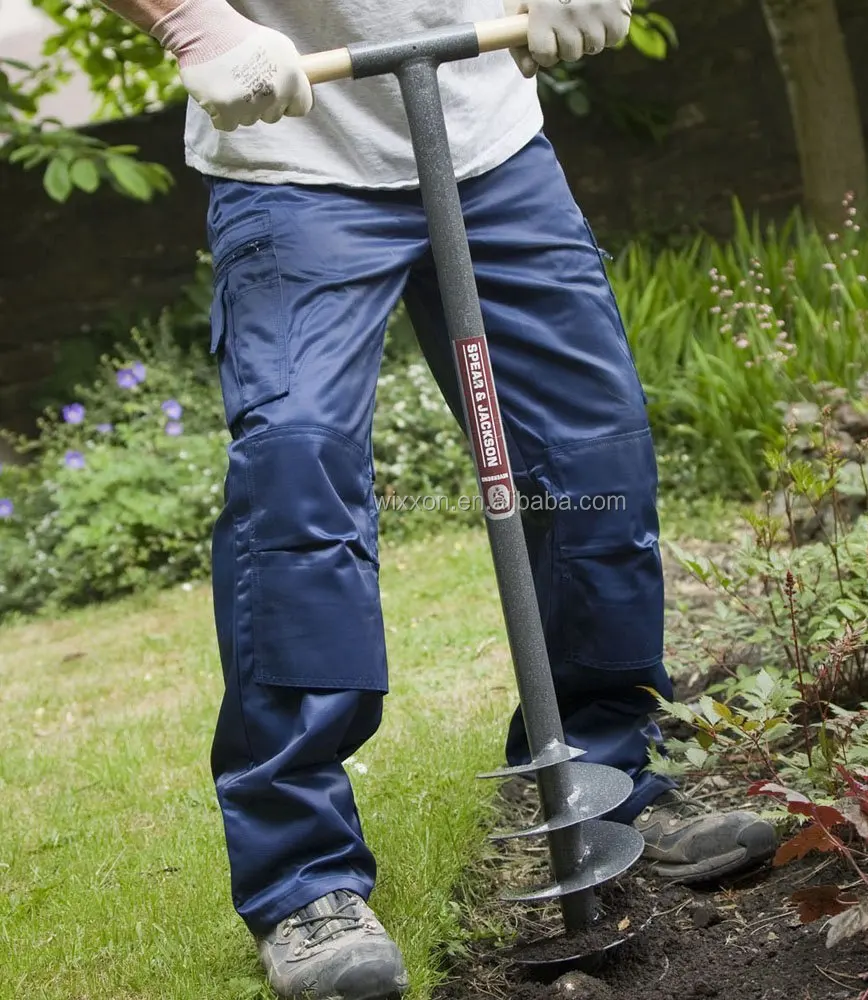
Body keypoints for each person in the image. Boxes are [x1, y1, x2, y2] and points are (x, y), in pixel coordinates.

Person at [101, 1, 778, 997]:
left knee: (594, 464)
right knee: (296, 480)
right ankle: (305, 882)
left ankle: (609, 777)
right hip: (293, 157)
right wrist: (190, 20)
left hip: (491, 141)